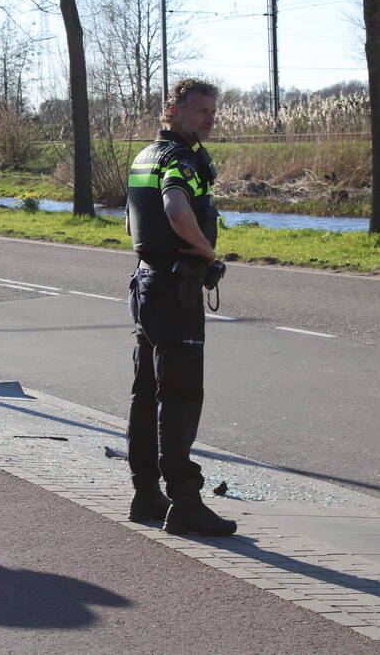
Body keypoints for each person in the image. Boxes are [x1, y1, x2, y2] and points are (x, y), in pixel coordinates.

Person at [124, 78, 236, 536]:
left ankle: (146, 492)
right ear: (173, 111)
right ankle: (185, 502)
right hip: (175, 288)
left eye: (212, 111)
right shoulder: (181, 159)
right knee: (181, 396)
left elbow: (133, 221)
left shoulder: (143, 157)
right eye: (201, 111)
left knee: (146, 392)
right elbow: (174, 208)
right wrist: (207, 254)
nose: (210, 119)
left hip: (146, 283)